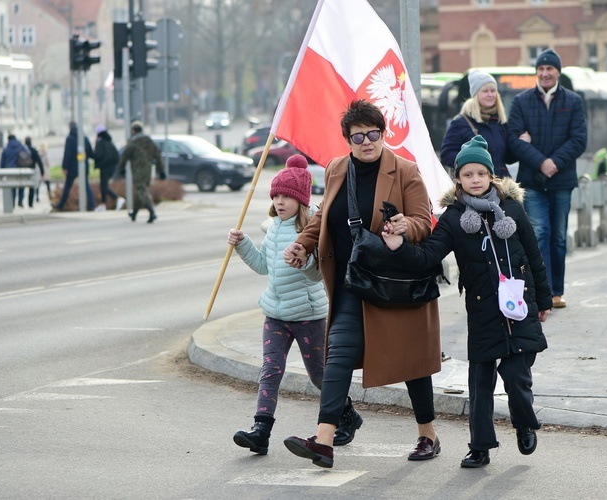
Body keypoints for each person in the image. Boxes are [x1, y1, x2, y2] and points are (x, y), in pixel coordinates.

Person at [282, 100, 441, 468]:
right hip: (352, 282)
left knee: (410, 363)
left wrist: (405, 227)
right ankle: (323, 440)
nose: (367, 142)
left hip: (393, 283)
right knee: (336, 356)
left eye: (374, 134)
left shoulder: (406, 171)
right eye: (359, 137)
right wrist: (303, 244)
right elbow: (323, 215)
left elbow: (424, 220)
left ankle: (428, 434)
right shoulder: (337, 169)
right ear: (348, 140)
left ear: (383, 134)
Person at [382, 135, 552, 468]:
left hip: (520, 307)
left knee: (517, 376)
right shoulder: (453, 219)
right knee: (480, 381)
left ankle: (524, 422)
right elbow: (428, 255)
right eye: (468, 175)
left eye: (481, 174)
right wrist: (399, 245)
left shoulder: (513, 208)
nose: (475, 180)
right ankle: (480, 446)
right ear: (458, 178)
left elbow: (533, 255)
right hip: (483, 310)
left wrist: (544, 298)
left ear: (491, 176)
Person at [228, 154, 329, 455]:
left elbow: (317, 275)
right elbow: (262, 266)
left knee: (319, 375)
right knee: (270, 370)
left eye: (287, 196)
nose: (281, 201)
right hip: (275, 314)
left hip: (308, 316)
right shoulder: (272, 228)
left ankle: (345, 412)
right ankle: (261, 431)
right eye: (276, 195)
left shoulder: (311, 229)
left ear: (301, 199)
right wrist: (242, 244)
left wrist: (303, 260)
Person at [507, 49, 587, 309]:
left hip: (562, 180)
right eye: (540, 70)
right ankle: (541, 292)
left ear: (558, 73)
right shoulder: (521, 102)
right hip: (532, 180)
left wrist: (554, 163)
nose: (544, 73)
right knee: (539, 234)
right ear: (536, 73)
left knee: (559, 236)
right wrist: (542, 162)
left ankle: (556, 291)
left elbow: (578, 139)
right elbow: (514, 140)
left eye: (549, 69)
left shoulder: (573, 101)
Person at [441, 69, 525, 179]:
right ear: (475, 95)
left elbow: (508, 158)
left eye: (493, 91)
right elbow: (446, 155)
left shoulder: (500, 122)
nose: (490, 95)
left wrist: (520, 143)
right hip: (475, 187)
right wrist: (472, 163)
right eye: (485, 91)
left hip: (501, 186)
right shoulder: (461, 123)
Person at [117, 121, 165, 223]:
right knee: (140, 191)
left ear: (133, 130)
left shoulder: (133, 142)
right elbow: (158, 156)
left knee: (142, 190)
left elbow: (124, 156)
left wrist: (121, 168)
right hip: (148, 170)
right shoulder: (149, 141)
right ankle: (134, 213)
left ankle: (151, 211)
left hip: (137, 170)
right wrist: (162, 170)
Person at [55, 122, 94, 211]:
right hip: (83, 166)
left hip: (72, 167)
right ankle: (91, 205)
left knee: (67, 186)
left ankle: (61, 205)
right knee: (86, 186)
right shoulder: (84, 138)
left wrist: (65, 167)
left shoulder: (70, 139)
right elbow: (90, 152)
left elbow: (67, 154)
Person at [92, 124, 124, 210]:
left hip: (104, 167)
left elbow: (98, 155)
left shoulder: (100, 142)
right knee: (103, 186)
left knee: (104, 187)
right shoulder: (109, 142)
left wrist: (90, 154)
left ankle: (117, 198)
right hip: (111, 167)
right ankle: (103, 204)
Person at [24, 137, 45, 208]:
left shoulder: (22, 150)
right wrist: (42, 171)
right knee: (32, 187)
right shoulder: (33, 150)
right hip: (32, 170)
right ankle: (30, 203)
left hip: (22, 170)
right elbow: (39, 161)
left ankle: (20, 201)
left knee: (21, 187)